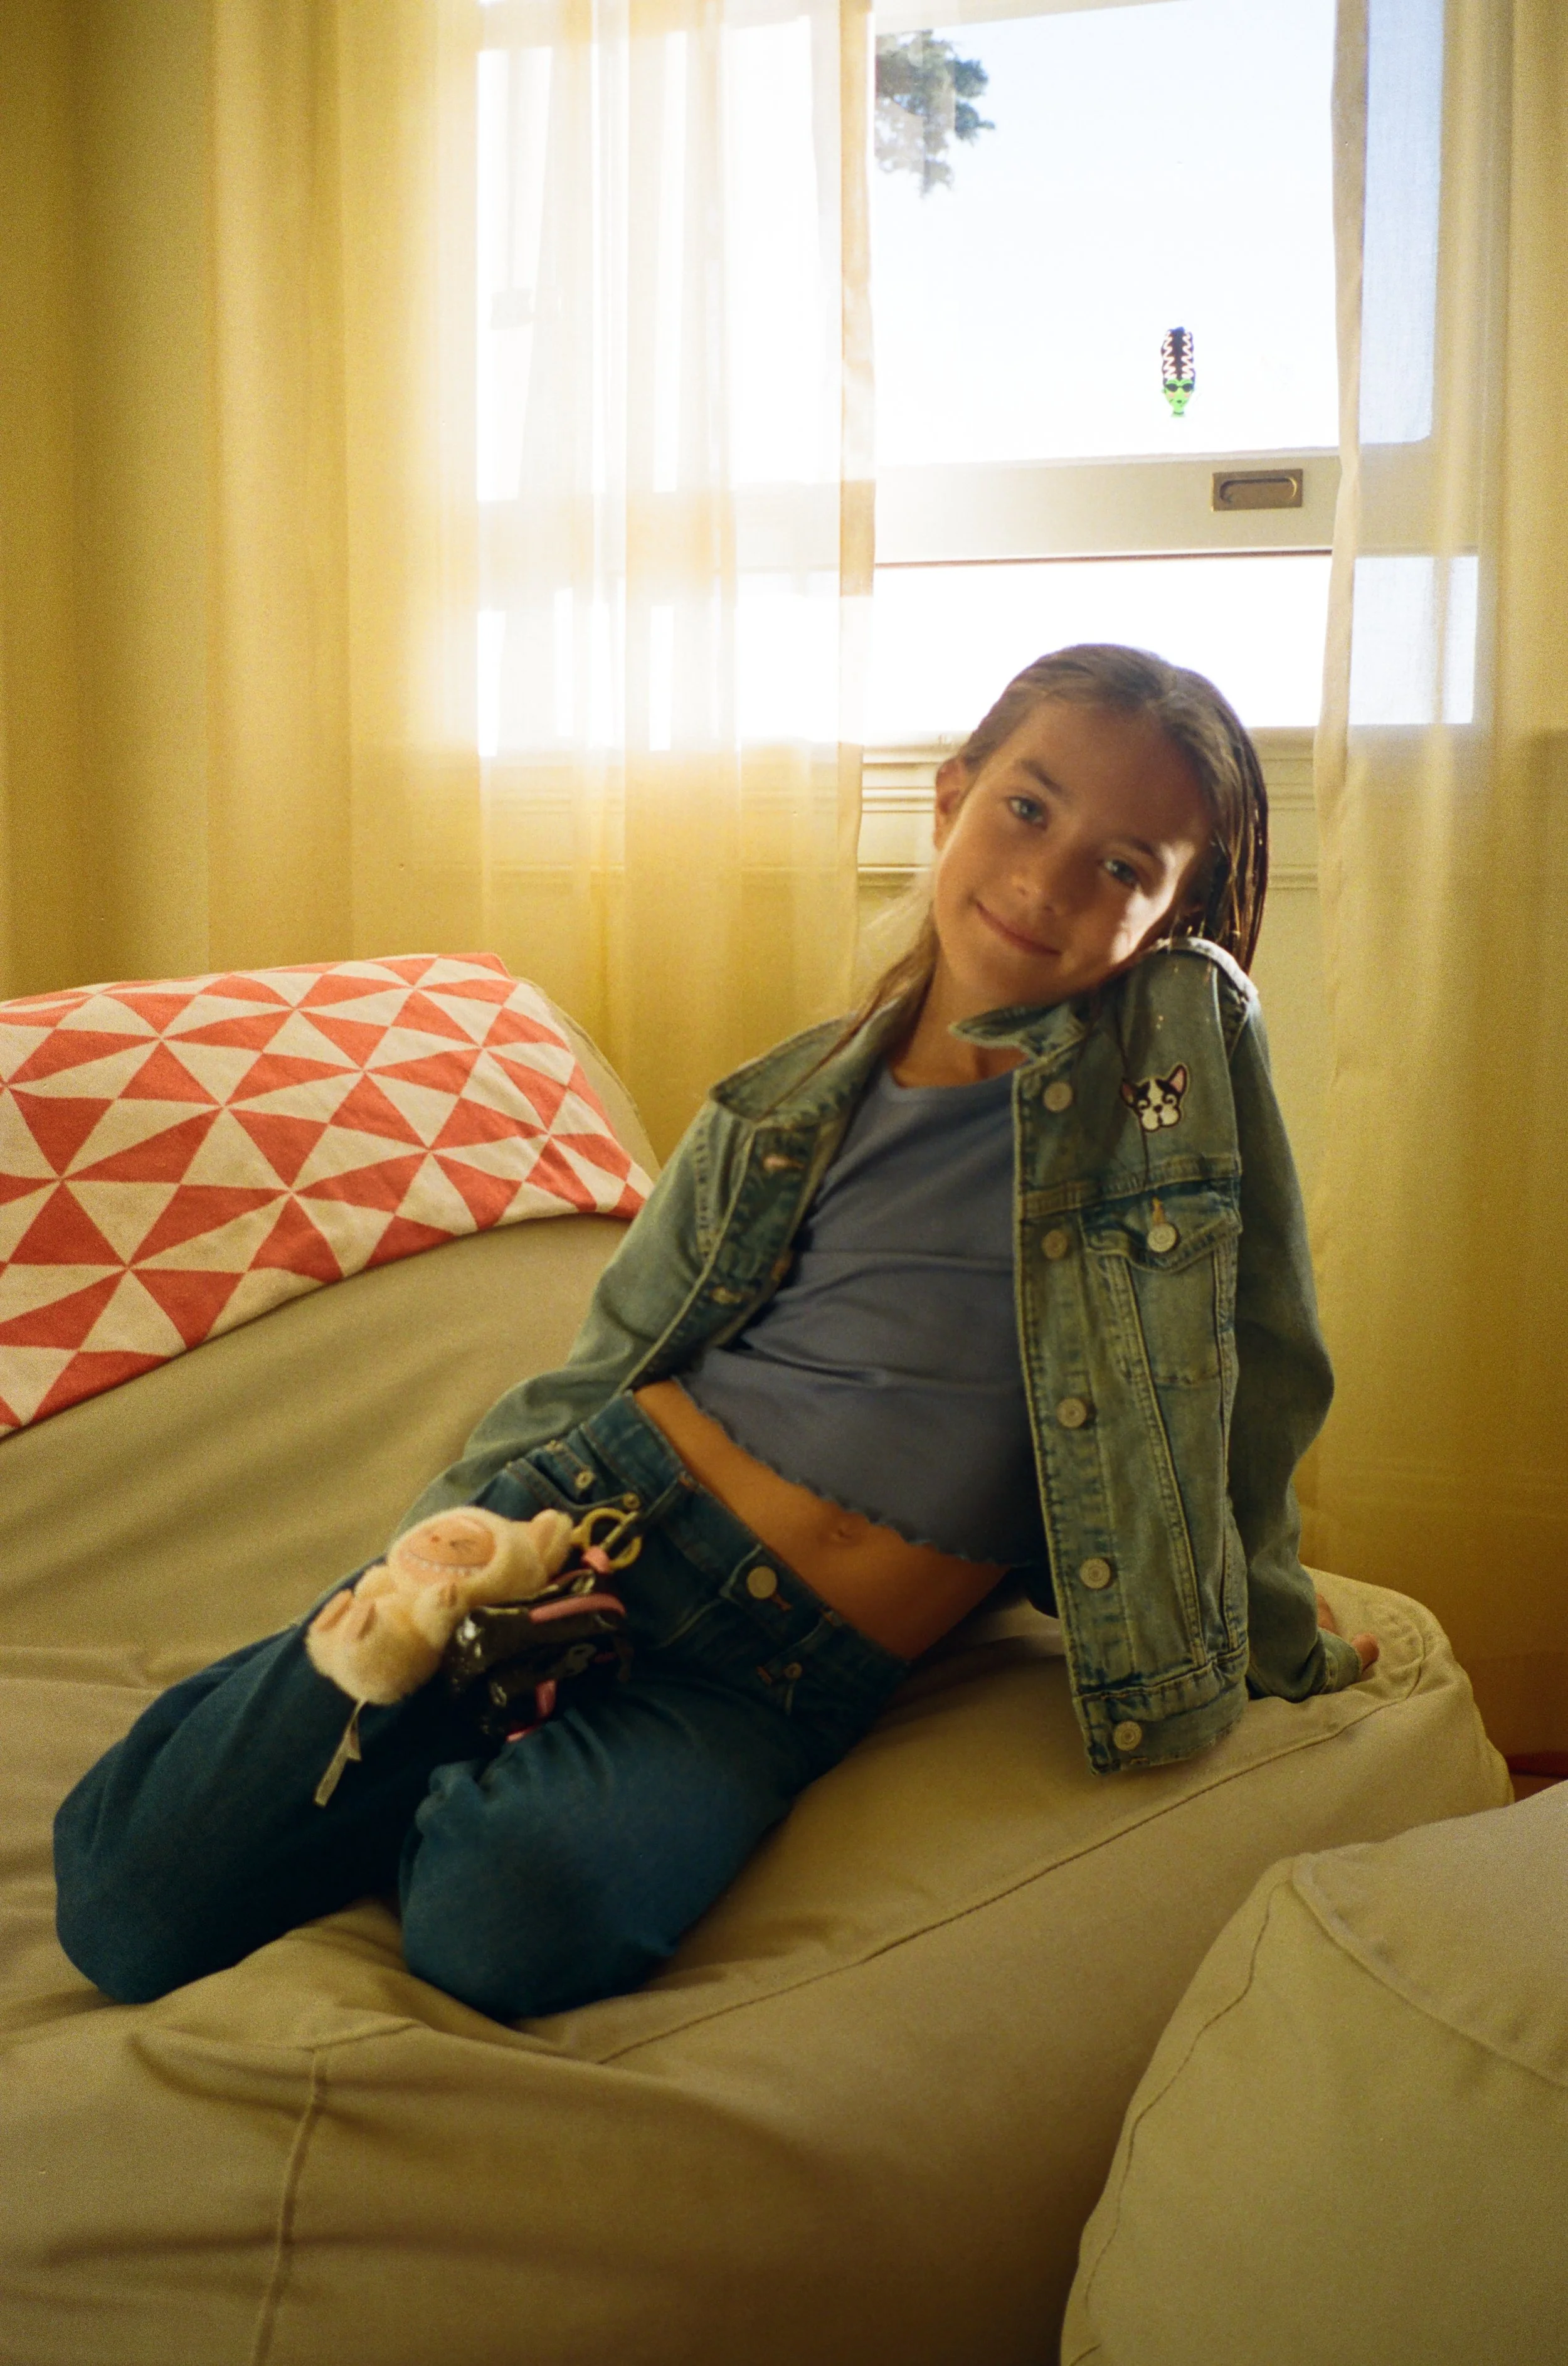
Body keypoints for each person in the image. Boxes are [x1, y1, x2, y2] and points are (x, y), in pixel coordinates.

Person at [53, 643, 1379, 2026]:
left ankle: (473, 1759)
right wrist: (441, 1544)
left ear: (1171, 919)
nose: (1047, 879)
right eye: (1027, 808)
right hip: (581, 1521)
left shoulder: (1172, 1082)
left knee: (498, 1924)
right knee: (128, 1902)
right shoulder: (780, 1105)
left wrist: (1271, 1624)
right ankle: (386, 1698)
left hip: (777, 1676)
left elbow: (1260, 1355)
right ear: (949, 800)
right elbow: (609, 1354)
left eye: (1124, 866)